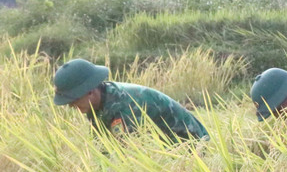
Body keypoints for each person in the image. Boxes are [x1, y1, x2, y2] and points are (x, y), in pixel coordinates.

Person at [53, 58, 208, 142]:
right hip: (162, 147)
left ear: (90, 91)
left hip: (190, 146)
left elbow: (130, 155)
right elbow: (103, 147)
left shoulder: (126, 106)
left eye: (74, 100)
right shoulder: (95, 104)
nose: (72, 106)